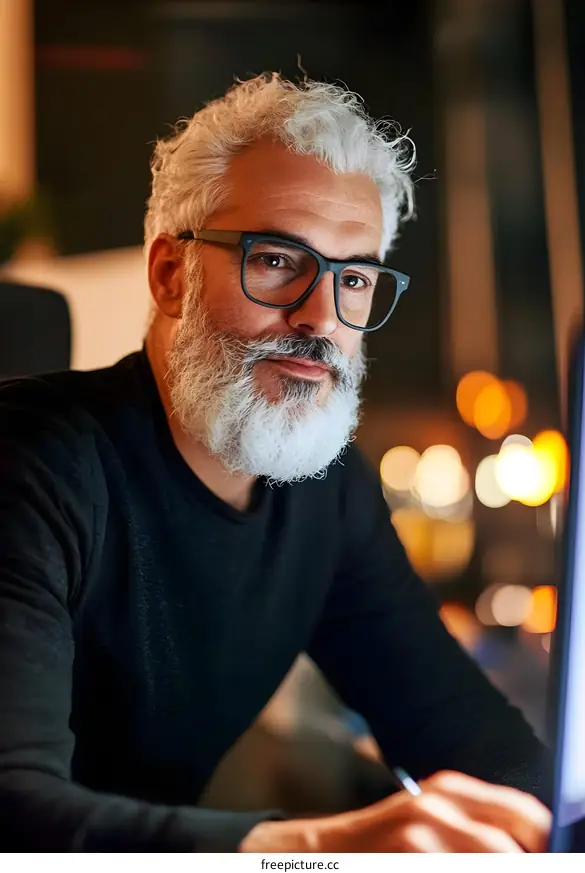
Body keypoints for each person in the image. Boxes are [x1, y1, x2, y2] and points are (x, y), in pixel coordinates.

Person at [0, 73, 552, 852]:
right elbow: (16, 814)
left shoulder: (329, 491)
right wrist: (323, 849)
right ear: (170, 275)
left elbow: (462, 730)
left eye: (353, 276)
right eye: (276, 261)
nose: (321, 317)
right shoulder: (31, 463)